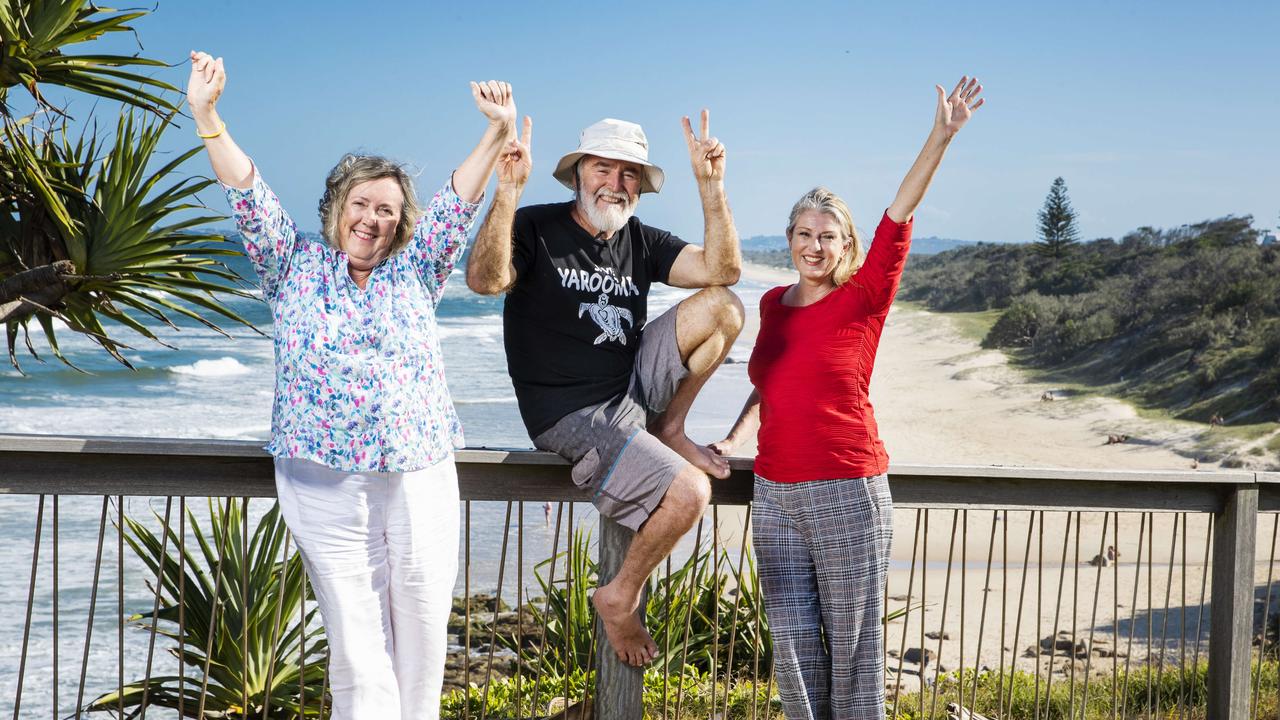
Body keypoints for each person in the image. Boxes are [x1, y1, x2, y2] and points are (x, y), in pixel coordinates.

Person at [187, 50, 515, 719]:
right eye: (361, 204)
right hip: (321, 477)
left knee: (423, 627)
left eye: (388, 210)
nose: (373, 218)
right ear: (338, 209)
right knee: (359, 646)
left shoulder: (416, 271)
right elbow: (249, 194)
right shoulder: (291, 265)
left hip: (418, 468)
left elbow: (459, 201)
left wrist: (496, 131)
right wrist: (207, 114)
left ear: (402, 223)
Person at [711, 77, 986, 719]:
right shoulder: (773, 304)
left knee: (854, 657)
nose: (814, 245)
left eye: (827, 236)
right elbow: (771, 383)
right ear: (789, 240)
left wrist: (941, 134)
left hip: (846, 489)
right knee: (795, 654)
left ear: (847, 246)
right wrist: (732, 440)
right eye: (803, 234)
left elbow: (900, 210)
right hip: (776, 495)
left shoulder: (863, 297)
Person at [466, 112, 744, 666]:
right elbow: (485, 280)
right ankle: (619, 596)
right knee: (689, 493)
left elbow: (724, 268)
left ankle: (670, 428)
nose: (615, 183)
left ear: (640, 185)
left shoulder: (640, 239)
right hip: (567, 410)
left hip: (631, 390)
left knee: (724, 307)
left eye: (629, 174)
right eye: (603, 168)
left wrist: (711, 188)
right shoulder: (534, 226)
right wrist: (506, 194)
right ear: (577, 174)